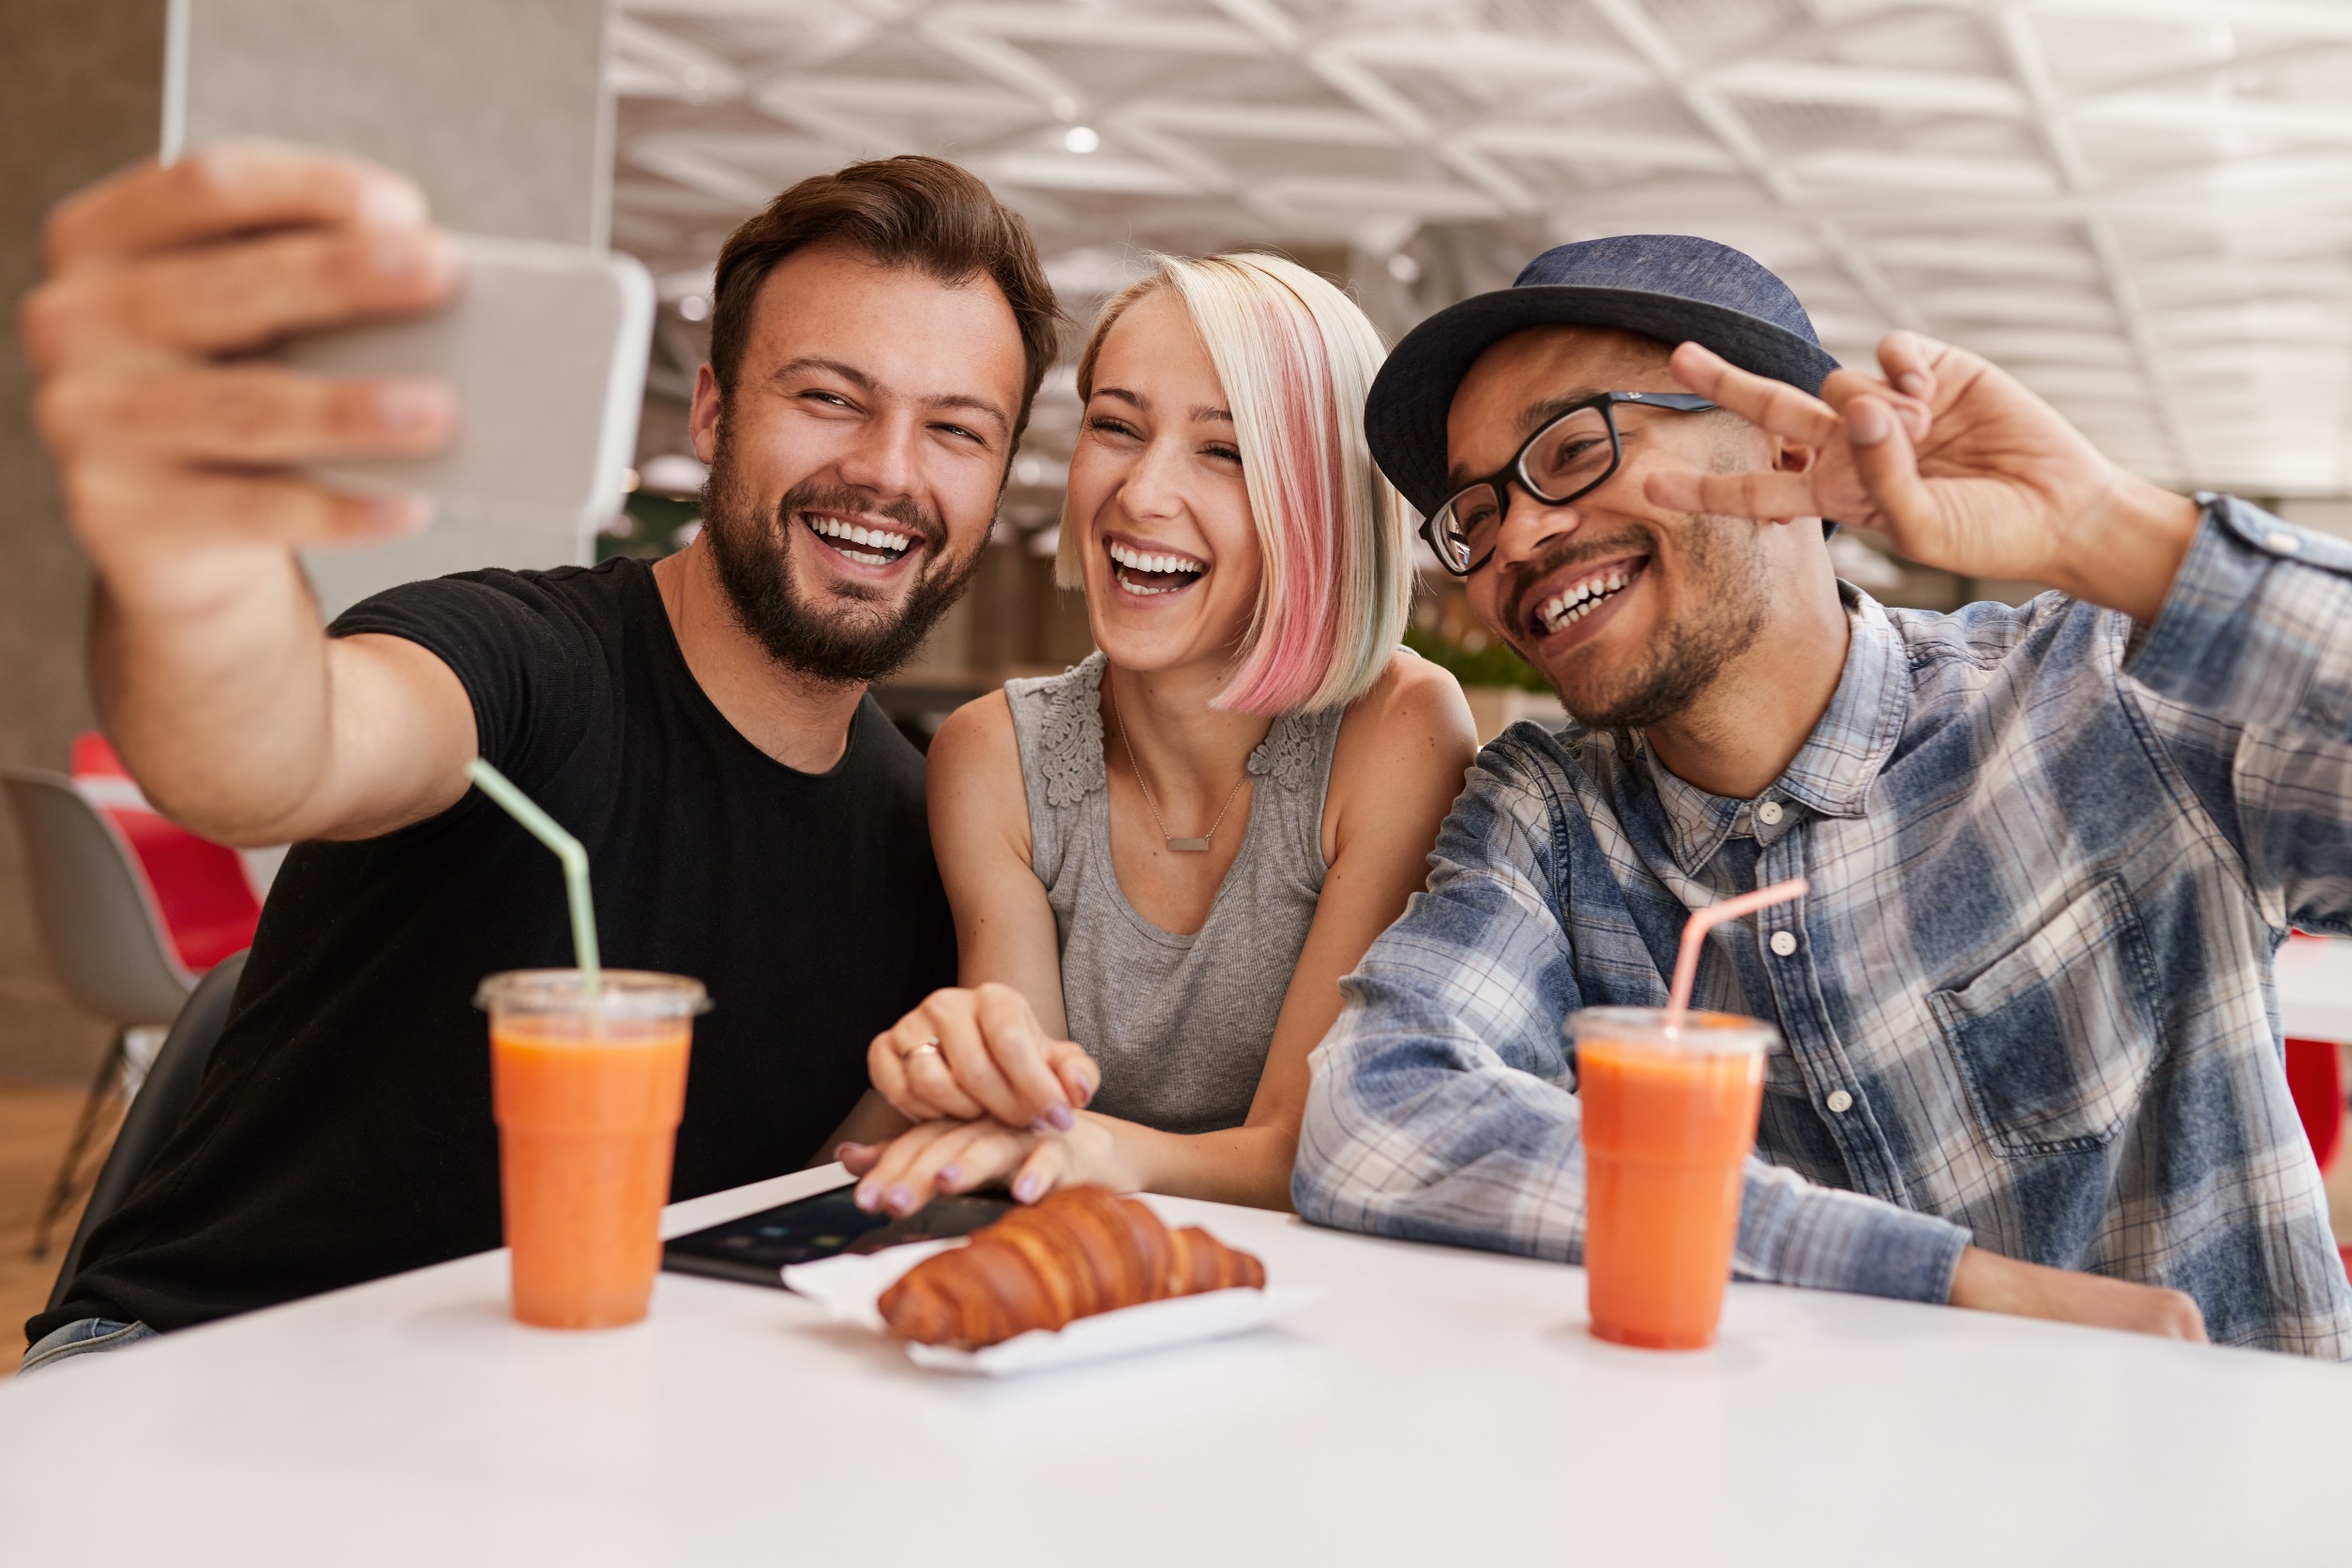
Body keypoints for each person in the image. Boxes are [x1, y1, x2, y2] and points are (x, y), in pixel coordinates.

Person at [18, 143, 1062, 1371]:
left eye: (956, 429)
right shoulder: (521, 659)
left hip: (552, 1426)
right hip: (190, 1372)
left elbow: (794, 1236)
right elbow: (266, 756)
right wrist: (187, 532)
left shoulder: (912, 831)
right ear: (717, 411)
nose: (888, 471)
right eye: (830, 397)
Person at [1293, 233, 2352, 1356]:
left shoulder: (2099, 698)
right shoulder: (1551, 818)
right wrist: (1933, 1277)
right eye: (1479, 511)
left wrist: (2109, 530)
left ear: (1789, 449)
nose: (1519, 536)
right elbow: (1373, 1118)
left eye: (1569, 451)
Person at [835, 254, 1477, 1214]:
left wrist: (1095, 1150)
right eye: (1116, 427)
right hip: (1089, 1283)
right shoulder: (995, 756)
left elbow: (1306, 1150)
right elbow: (1034, 1108)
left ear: (1322, 502)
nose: (1139, 493)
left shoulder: (1399, 732)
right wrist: (956, 1074)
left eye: (1223, 450)